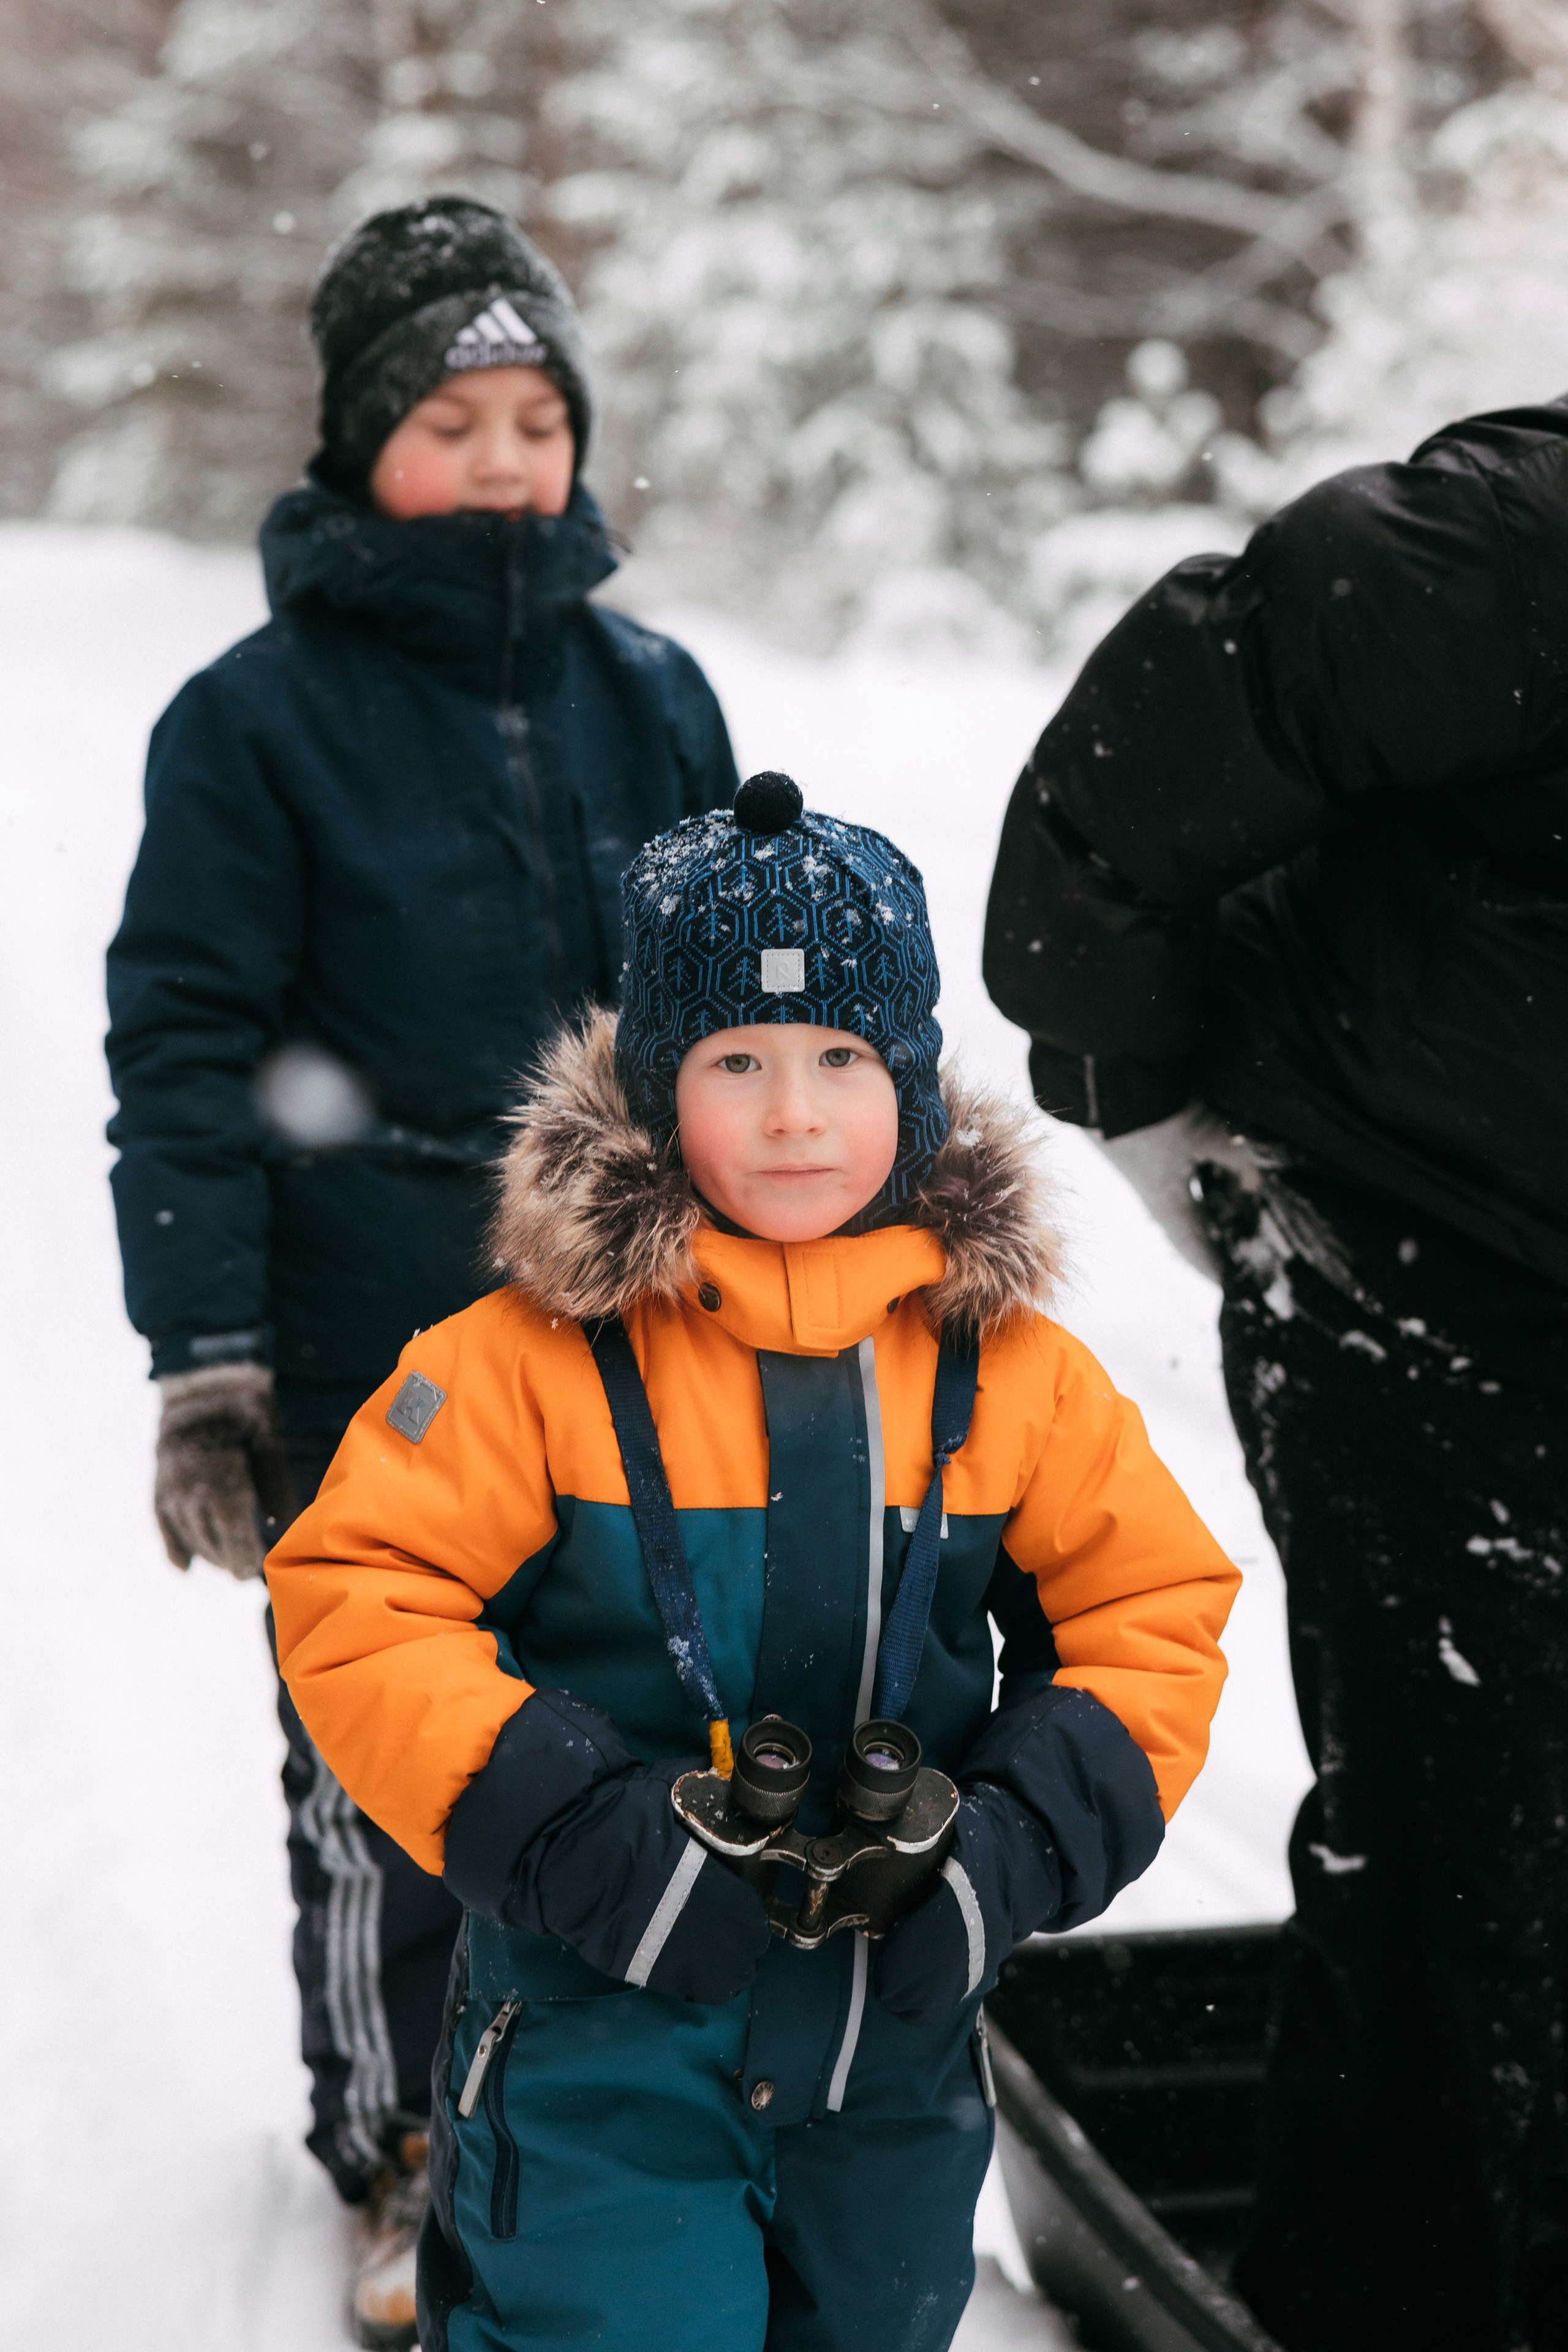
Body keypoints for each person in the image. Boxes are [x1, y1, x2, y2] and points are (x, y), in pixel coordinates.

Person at [265, 768, 1241, 2352]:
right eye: (738, 1060)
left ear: (913, 1085)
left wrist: (1011, 1845)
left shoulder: (1011, 1373)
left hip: (891, 2065)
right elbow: (359, 1598)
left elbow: (1152, 1611)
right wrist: (581, 1830)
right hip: (598, 2043)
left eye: (842, 1058)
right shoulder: (525, 1363)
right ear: (658, 1091)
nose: (796, 1112)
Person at [104, 195, 738, 2345]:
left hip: (640, 1336)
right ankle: (405, 2144)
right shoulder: (253, 722)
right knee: (399, 1764)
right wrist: (207, 1358)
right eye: (451, 419)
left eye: (535, 418)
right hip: (373, 1341)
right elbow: (185, 1048)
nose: (500, 461)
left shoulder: (654, 693)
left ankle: (620, 2093)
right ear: (363, 439)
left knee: (641, 1723)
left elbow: (736, 1004)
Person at [982, 398, 1568, 2352]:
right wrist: (1148, 1103)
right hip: (1402, 1234)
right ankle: (1374, 2301)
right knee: (1479, 1843)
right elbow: (1118, 790)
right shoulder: (1515, 553)